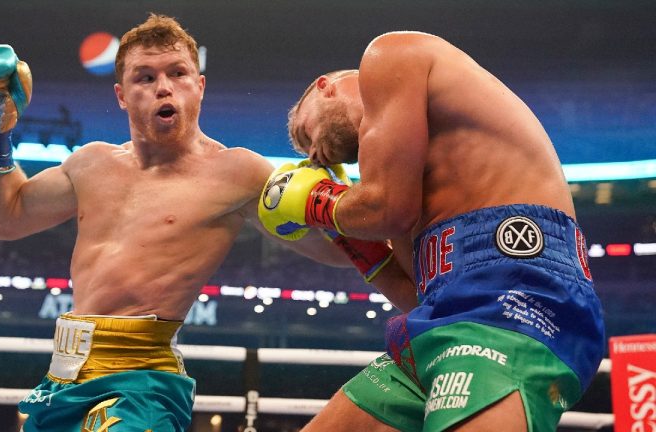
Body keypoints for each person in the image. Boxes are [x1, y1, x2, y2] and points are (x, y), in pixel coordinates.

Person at [0, 14, 395, 432]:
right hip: (62, 376)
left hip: (138, 382)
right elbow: (7, 218)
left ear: (199, 86)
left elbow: (337, 252)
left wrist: (331, 197)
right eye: (145, 77)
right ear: (122, 95)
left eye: (178, 73)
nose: (164, 87)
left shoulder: (239, 173)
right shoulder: (90, 163)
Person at [258, 31, 605, 431]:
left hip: (517, 302)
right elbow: (418, 296)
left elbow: (387, 209)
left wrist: (315, 201)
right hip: (443, 320)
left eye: (305, 134)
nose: (314, 157)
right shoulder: (403, 185)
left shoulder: (391, 56)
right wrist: (348, 235)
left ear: (325, 88)